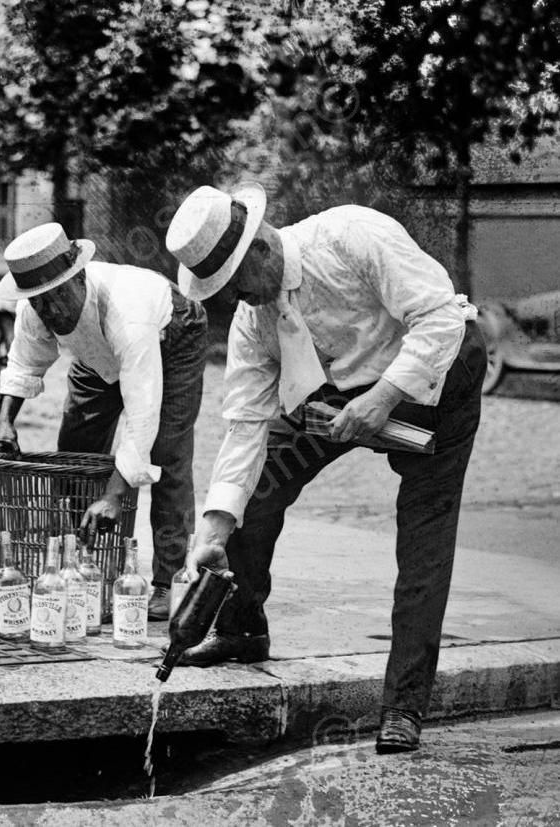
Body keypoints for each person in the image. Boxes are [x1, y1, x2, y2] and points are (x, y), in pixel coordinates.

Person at [165, 182, 485, 754]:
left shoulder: (350, 236)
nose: (240, 300)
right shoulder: (252, 319)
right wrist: (212, 531)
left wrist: (384, 397)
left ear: (260, 248)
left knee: (423, 539)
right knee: (258, 491)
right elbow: (244, 426)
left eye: (237, 284)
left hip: (439, 374)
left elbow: (441, 318)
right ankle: (242, 629)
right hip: (338, 393)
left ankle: (404, 706)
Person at [0, 222, 208, 620]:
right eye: (38, 302)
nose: (49, 311)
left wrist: (113, 495)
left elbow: (143, 415)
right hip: (94, 357)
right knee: (75, 450)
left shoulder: (128, 315)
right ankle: (79, 565)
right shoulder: (36, 308)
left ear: (78, 280)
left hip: (171, 334)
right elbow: (23, 363)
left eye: (55, 298)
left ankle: (168, 580)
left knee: (167, 457)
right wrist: (5, 423)